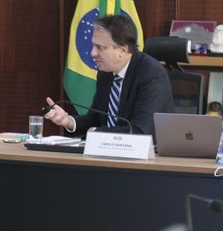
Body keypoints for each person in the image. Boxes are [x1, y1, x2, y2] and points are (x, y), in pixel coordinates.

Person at [45, 14, 174, 138]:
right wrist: (69, 121)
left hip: (151, 156)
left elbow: (139, 131)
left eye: (100, 47)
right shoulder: (105, 73)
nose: (92, 53)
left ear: (122, 50)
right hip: (110, 152)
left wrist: (97, 133)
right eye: (93, 45)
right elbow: (97, 118)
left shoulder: (151, 74)